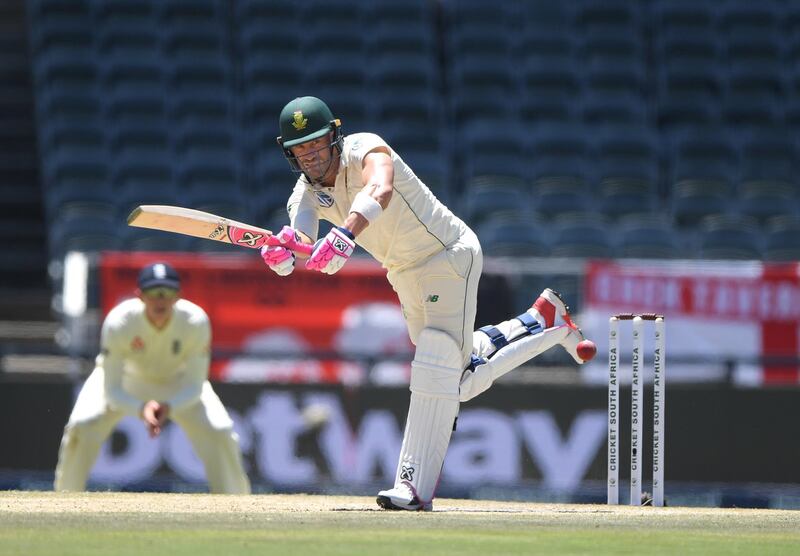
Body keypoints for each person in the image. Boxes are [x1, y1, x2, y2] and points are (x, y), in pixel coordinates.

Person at [261, 96, 595, 510]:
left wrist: (345, 234)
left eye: (316, 142)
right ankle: (542, 320)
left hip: (447, 253)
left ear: (334, 136)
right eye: (300, 148)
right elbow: (306, 243)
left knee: (441, 371)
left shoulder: (365, 147)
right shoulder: (305, 194)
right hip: (402, 272)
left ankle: (412, 487)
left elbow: (380, 188)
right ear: (289, 153)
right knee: (453, 370)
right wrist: (286, 257)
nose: (310, 154)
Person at [54, 262, 251, 494]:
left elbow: (195, 386)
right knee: (82, 425)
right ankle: (65, 498)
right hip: (128, 379)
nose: (160, 299)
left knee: (220, 431)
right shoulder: (120, 322)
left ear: (178, 296)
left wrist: (168, 406)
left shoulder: (195, 322)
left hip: (177, 382)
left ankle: (236, 506)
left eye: (167, 292)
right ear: (140, 295)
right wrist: (140, 408)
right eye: (153, 292)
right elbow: (112, 390)